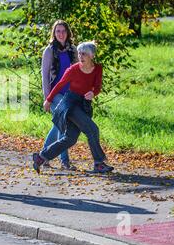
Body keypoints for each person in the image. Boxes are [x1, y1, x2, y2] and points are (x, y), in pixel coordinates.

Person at [32, 41, 114, 174]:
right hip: (70, 104)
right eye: (79, 53)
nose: (80, 56)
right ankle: (99, 163)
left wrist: (93, 93)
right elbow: (59, 85)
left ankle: (41, 157)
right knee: (92, 130)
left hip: (84, 104)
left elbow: (98, 86)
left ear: (92, 55)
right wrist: (48, 100)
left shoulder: (98, 68)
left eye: (84, 54)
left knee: (70, 138)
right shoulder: (73, 69)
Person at [41, 20, 78, 170]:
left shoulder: (73, 50)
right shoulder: (49, 50)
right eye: (58, 31)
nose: (61, 34)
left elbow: (78, 72)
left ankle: (43, 156)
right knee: (63, 124)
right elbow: (44, 75)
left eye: (63, 31)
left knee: (58, 125)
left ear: (67, 33)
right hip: (55, 94)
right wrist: (47, 98)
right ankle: (65, 161)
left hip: (70, 94)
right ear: (54, 34)